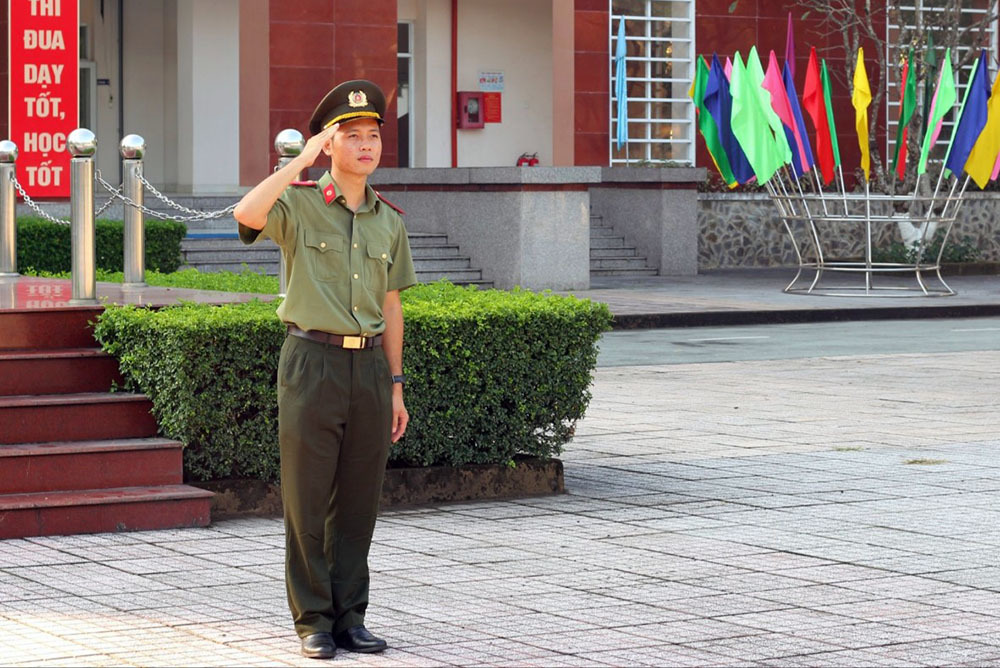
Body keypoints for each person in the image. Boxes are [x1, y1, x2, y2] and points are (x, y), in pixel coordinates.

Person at [233, 79, 417, 660]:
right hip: (311, 362)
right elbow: (247, 213)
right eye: (351, 136)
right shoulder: (302, 203)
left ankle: (350, 617)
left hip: (370, 370)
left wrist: (395, 385)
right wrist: (298, 163)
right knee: (307, 499)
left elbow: (392, 306)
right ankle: (312, 619)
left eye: (372, 137)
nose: (365, 146)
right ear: (329, 144)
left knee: (359, 503)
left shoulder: (388, 220)